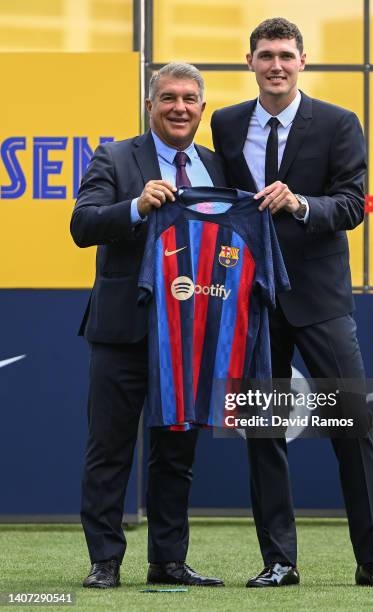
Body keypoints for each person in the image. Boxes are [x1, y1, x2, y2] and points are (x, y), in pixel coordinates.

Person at [211, 17, 373, 588]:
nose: (276, 65)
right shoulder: (224, 124)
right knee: (264, 433)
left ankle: (372, 563)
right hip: (253, 299)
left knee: (354, 427)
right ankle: (278, 562)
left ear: (302, 61)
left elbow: (351, 206)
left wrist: (299, 204)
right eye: (266, 55)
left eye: (286, 55)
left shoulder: (340, 123)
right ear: (250, 61)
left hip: (321, 299)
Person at [71, 62, 226, 589]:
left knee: (176, 456)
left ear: (202, 109)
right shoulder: (114, 157)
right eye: (168, 98)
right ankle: (105, 562)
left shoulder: (217, 165)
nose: (179, 107)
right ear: (149, 105)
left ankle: (168, 561)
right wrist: (135, 206)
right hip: (123, 331)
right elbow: (82, 224)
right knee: (110, 450)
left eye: (189, 99)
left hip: (189, 336)